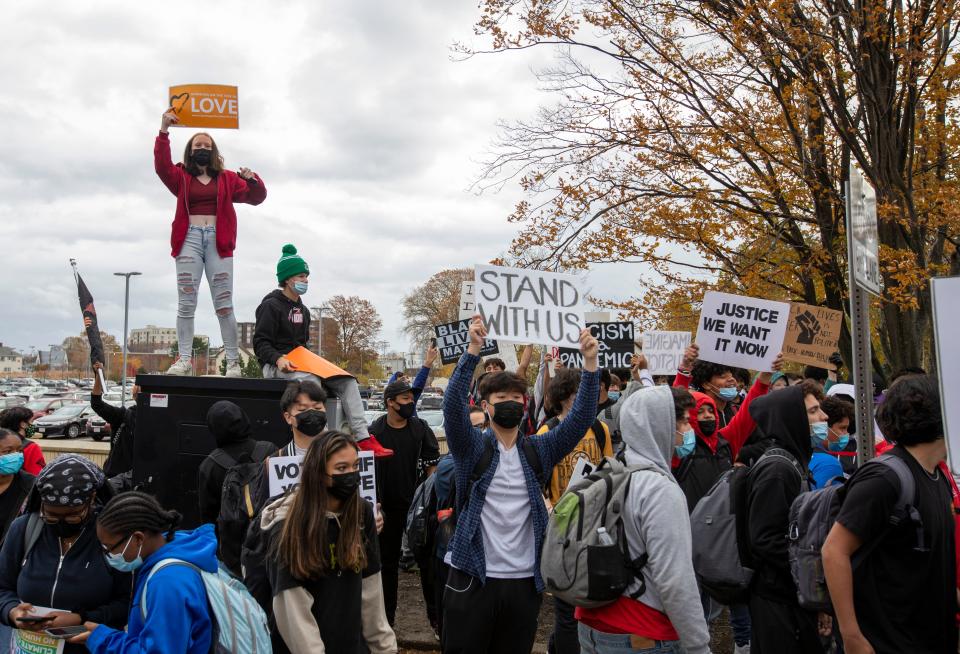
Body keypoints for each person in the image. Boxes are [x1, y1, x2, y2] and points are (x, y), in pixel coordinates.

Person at [441, 317, 599, 654]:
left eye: (518, 396)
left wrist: (590, 363)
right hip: (472, 575)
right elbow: (452, 408)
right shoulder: (472, 449)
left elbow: (580, 419)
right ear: (486, 406)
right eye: (502, 396)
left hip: (524, 581)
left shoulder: (538, 449)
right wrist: (472, 351)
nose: (512, 402)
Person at [823, 374, 957, 653]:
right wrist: (852, 637)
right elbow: (834, 551)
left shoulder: (939, 476)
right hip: (889, 642)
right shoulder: (884, 478)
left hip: (929, 639)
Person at [576, 386, 712, 654]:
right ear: (660, 425)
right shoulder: (660, 490)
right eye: (683, 421)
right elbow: (675, 580)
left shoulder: (607, 472)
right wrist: (699, 645)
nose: (689, 428)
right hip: (642, 635)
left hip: (592, 626)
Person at [261, 431, 396, 653]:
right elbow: (294, 612)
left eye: (355, 466)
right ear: (318, 474)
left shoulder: (361, 513)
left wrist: (385, 648)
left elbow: (372, 591)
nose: (352, 475)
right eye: (341, 469)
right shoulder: (288, 525)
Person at [253, 243, 392, 457]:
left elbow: (303, 346)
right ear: (288, 279)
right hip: (275, 365)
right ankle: (323, 437)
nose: (305, 281)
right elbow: (260, 343)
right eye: (300, 276)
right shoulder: (270, 306)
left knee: (346, 379)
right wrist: (278, 358)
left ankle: (363, 437)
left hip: (299, 362)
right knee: (310, 379)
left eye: (306, 276)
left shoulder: (304, 311)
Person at [156, 110, 266, 377]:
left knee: (224, 304)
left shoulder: (227, 178)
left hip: (219, 242)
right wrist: (163, 131)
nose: (202, 149)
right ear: (190, 151)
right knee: (186, 302)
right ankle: (183, 361)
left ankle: (234, 363)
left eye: (207, 146)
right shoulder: (180, 176)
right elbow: (161, 166)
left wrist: (253, 178)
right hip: (189, 240)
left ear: (214, 151)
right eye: (198, 146)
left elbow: (257, 196)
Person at [0, 456, 130, 654]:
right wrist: (12, 611)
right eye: (51, 515)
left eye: (73, 514)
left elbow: (127, 602)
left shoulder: (112, 536)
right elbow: (2, 588)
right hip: (28, 648)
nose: (61, 523)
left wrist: (82, 618)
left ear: (92, 498)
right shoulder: (24, 529)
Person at [743, 382, 828, 653]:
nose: (823, 417)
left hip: (788, 595)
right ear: (793, 419)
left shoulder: (791, 462)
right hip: (777, 599)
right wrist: (814, 574)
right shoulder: (778, 470)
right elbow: (766, 539)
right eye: (813, 411)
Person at [76, 492, 216, 653]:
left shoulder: (167, 582)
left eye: (109, 548)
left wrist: (103, 639)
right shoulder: (171, 555)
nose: (107, 555)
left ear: (138, 539)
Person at [536, 368, 613, 654]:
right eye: (578, 392)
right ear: (564, 397)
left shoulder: (598, 429)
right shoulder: (548, 431)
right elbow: (538, 478)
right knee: (567, 603)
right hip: (564, 526)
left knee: (590, 597)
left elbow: (609, 468)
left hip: (595, 522)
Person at [370, 379, 440, 626]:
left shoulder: (420, 429)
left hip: (417, 510)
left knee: (427, 565)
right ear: (390, 402)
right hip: (386, 510)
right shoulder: (375, 432)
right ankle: (387, 622)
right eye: (405, 399)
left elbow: (433, 466)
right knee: (387, 567)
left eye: (412, 399)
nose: (411, 403)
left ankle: (436, 621)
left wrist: (429, 500)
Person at [196, 401, 274, 525]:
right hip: (266, 535)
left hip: (230, 539)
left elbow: (207, 517)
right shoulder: (270, 450)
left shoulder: (209, 466)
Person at [88, 361, 137, 477]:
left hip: (136, 482)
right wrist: (99, 377)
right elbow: (96, 403)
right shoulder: (123, 416)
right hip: (117, 480)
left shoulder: (156, 420)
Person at [673, 345, 739, 427]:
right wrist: (685, 367)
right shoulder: (693, 412)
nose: (731, 379)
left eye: (732, 375)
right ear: (706, 384)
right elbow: (677, 401)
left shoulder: (737, 411)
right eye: (723, 376)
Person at [808, 395, 854, 489]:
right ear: (825, 427)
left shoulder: (807, 453)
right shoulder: (829, 464)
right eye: (842, 428)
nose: (846, 434)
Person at [0, 407, 45, 475]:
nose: (32, 425)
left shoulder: (2, 442)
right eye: (31, 421)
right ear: (23, 424)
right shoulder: (32, 447)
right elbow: (37, 474)